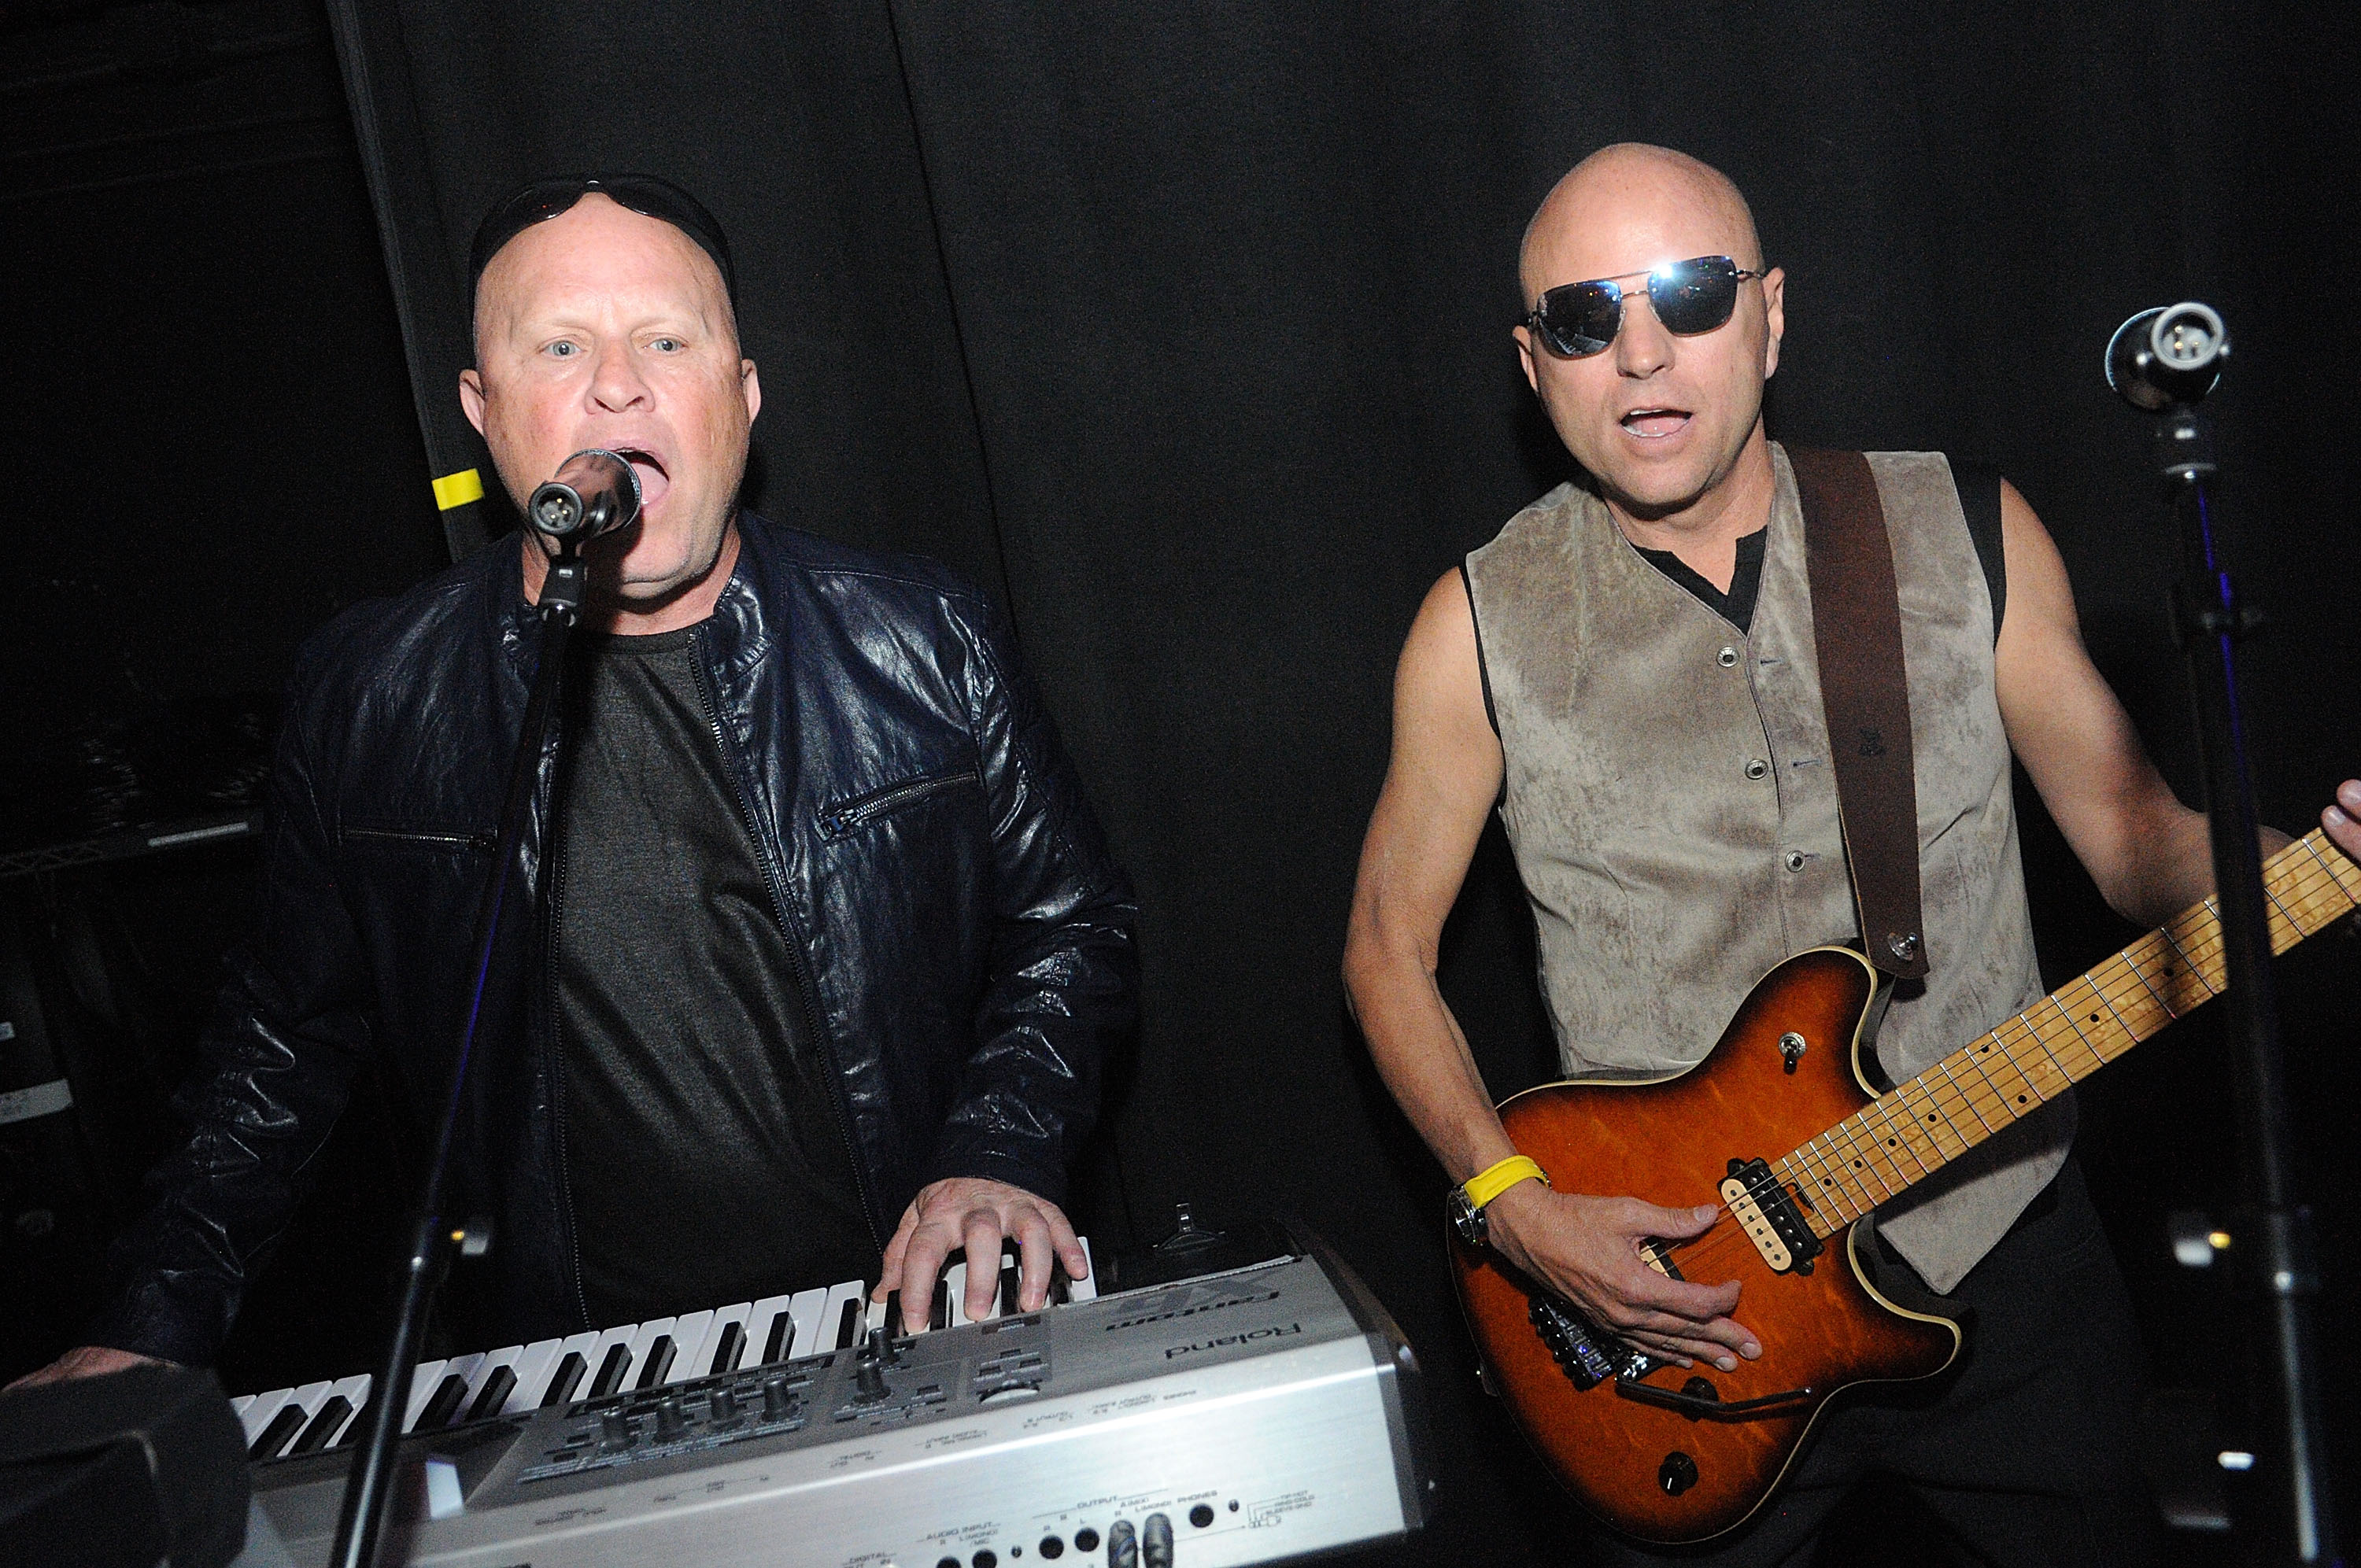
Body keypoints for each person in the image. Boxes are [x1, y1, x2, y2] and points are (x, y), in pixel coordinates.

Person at [1341, 142, 2361, 1563]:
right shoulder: (1475, 626)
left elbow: (2142, 837)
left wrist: (2317, 866)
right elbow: (1385, 948)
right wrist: (1512, 1207)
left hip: (2000, 1246)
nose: (1642, 353)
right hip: (1676, 1316)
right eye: (1584, 317)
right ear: (1533, 364)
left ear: (1769, 316)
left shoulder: (1964, 527)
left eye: (1690, 295)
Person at [17, 175, 1137, 1389]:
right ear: (483, 410)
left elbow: (1072, 923)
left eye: (667, 340)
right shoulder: (372, 690)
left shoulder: (922, 635)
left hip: (918, 1332)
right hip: (568, 1383)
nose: (618, 384)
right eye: (560, 347)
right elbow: (282, 1038)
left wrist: (996, 1148)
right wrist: (155, 1317)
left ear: (743, 395)